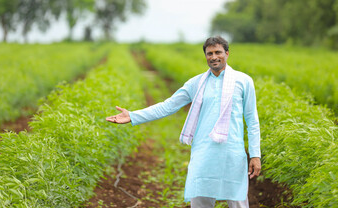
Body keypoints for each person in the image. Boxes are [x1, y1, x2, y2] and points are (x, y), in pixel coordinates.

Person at [106, 36, 261, 208]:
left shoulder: (243, 81)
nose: (214, 57)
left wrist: (255, 154)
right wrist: (133, 116)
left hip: (232, 151)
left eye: (218, 52)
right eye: (209, 53)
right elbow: (168, 106)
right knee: (200, 199)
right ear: (205, 56)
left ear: (227, 54)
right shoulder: (196, 83)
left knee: (237, 200)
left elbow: (252, 120)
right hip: (204, 151)